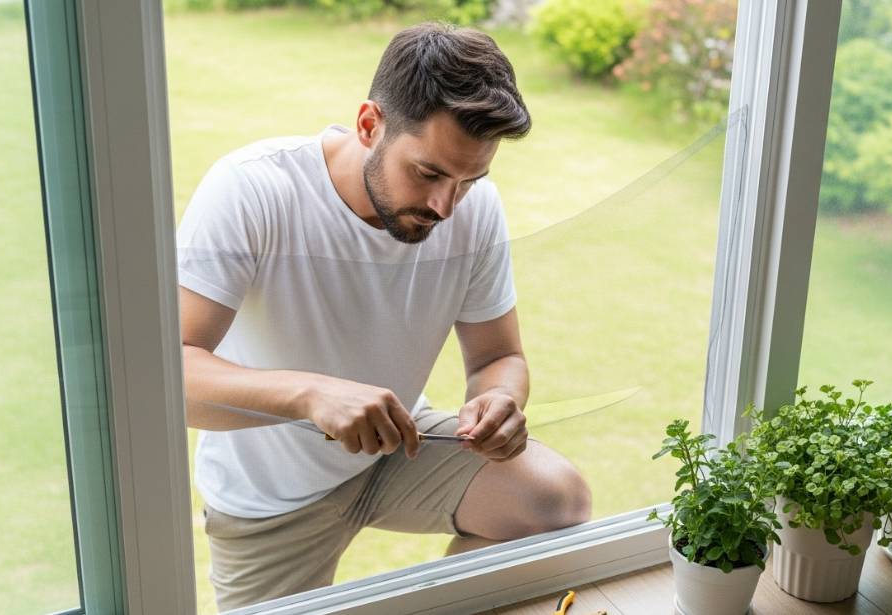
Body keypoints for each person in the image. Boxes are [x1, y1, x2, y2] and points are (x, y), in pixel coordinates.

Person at [177, 22, 592, 611]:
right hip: (270, 496)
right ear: (370, 124)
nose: (446, 207)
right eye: (429, 173)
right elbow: (173, 378)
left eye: (470, 180)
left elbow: (499, 357)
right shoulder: (252, 189)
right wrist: (310, 394)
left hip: (401, 444)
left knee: (554, 501)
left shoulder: (472, 211)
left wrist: (501, 400)